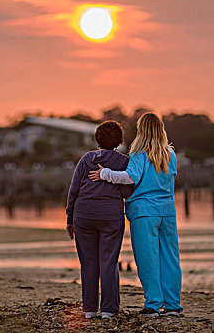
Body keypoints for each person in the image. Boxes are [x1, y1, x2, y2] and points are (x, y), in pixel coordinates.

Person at [88, 112, 183, 318]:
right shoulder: (171, 154)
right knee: (170, 258)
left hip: (143, 213)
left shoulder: (139, 153)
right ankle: (173, 306)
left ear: (142, 131)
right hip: (167, 212)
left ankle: (153, 304)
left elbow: (129, 178)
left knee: (148, 259)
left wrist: (104, 173)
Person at [66, 120, 133, 319]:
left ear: (97, 139)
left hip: (83, 214)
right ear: (120, 141)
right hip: (110, 216)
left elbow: (74, 190)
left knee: (88, 263)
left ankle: (89, 309)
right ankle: (109, 309)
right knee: (108, 262)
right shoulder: (124, 161)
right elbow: (128, 189)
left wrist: (70, 217)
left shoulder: (87, 159)